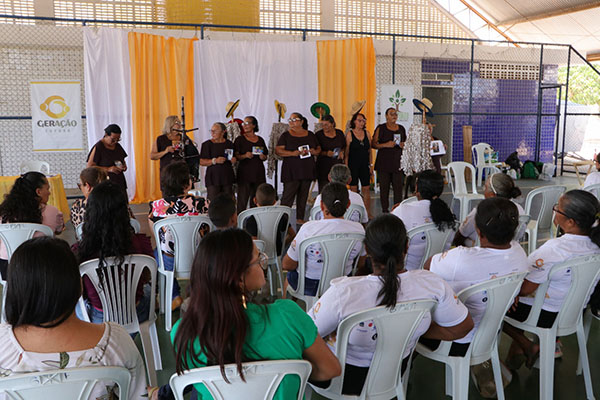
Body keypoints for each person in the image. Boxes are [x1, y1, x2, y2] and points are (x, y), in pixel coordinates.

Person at [308, 214, 474, 395]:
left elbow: (304, 335)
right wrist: (410, 329)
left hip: (343, 381)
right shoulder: (432, 284)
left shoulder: (343, 292)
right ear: (407, 246)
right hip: (394, 374)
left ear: (367, 249)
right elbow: (462, 327)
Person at [171, 229, 341, 399]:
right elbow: (330, 369)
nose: (262, 263)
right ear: (238, 279)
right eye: (258, 259)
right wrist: (296, 371)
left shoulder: (184, 331)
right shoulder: (288, 315)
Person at [0, 237, 147, 399]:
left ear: (14, 290)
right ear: (79, 286)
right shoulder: (114, 342)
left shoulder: (2, 345)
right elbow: (138, 395)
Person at [503, 190, 600, 369]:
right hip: (574, 312)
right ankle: (518, 351)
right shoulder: (596, 245)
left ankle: (526, 345)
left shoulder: (554, 249)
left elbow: (524, 288)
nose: (554, 211)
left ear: (570, 222)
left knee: (495, 307)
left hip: (547, 316)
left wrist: (512, 293)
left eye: (558, 209)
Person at [423, 198, 529, 354]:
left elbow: (428, 266)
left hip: (456, 342)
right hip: (489, 337)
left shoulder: (461, 258)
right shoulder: (520, 253)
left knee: (411, 325)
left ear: (478, 231)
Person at [77, 180, 154, 324]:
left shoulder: (80, 250)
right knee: (149, 290)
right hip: (136, 313)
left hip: (98, 319)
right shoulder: (141, 243)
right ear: (125, 211)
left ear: (90, 213)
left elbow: (79, 291)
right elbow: (146, 276)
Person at [283, 182, 366, 297]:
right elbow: (361, 263)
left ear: (321, 205)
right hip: (343, 283)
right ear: (348, 204)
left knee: (289, 277)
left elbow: (287, 264)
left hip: (310, 285)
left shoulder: (308, 229)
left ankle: (290, 307)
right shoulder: (359, 230)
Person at [148, 162, 208, 310]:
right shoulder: (203, 203)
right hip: (200, 259)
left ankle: (174, 296)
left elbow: (157, 236)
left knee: (158, 252)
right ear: (187, 184)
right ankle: (197, 293)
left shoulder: (156, 207)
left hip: (169, 262)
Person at [0, 172, 64, 279]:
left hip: (8, 268)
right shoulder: (53, 212)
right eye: (47, 189)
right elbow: (59, 230)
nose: (49, 193)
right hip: (41, 268)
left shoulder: (3, 212)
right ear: (38, 192)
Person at [392, 170, 456, 270]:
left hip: (409, 271)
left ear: (417, 189)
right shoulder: (448, 213)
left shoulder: (403, 210)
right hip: (437, 270)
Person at [453, 173, 525, 247]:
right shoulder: (519, 210)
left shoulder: (480, 211)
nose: (483, 190)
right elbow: (519, 234)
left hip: (480, 250)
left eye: (485, 187)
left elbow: (460, 236)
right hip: (510, 249)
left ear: (492, 195)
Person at [276, 112, 321, 224]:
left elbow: (318, 148)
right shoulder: (286, 135)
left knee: (303, 196)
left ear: (301, 121)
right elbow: (278, 150)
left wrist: (314, 151)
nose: (291, 122)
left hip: (307, 170)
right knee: (287, 197)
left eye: (294, 119)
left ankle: (300, 218)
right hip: (291, 171)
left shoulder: (310, 135)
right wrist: (292, 153)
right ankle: (282, 220)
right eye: (290, 120)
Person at [243, 183, 295, 257]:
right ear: (274, 201)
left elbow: (254, 242)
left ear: (254, 200)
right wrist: (282, 246)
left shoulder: (251, 220)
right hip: (276, 253)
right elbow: (292, 234)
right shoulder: (280, 216)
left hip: (259, 256)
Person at [373, 108, 406, 213]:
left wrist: (403, 145)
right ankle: (385, 211)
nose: (394, 116)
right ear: (386, 116)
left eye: (395, 114)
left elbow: (405, 142)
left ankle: (398, 210)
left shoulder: (401, 128)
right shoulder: (381, 128)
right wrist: (385, 145)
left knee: (398, 189)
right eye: (391, 114)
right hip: (384, 163)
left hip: (397, 163)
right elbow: (373, 144)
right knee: (384, 188)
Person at [234, 116, 268, 213]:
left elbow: (265, 155)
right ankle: (240, 219)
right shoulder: (239, 139)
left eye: (247, 123)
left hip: (258, 173)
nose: (244, 126)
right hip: (245, 173)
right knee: (242, 199)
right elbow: (236, 156)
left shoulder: (260, 140)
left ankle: (255, 219)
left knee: (257, 198)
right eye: (243, 123)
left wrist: (263, 157)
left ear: (254, 125)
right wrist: (245, 155)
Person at [199, 122, 236, 201]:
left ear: (223, 132)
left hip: (227, 177)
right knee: (213, 201)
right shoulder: (207, 144)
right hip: (213, 178)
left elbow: (233, 157)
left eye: (215, 131)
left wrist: (233, 159)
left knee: (228, 201)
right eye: (211, 131)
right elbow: (201, 162)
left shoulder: (229, 144)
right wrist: (214, 161)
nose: (212, 133)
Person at [86, 124, 128, 193]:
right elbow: (90, 167)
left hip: (119, 182)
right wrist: (108, 169)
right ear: (106, 135)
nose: (115, 142)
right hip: (105, 183)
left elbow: (122, 160)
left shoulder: (117, 146)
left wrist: (124, 166)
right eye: (113, 139)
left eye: (118, 140)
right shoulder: (99, 147)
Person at [345, 112, 372, 216]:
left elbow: (369, 151)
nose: (362, 123)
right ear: (354, 122)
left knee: (366, 189)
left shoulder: (367, 133)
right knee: (354, 190)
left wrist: (371, 165)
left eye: (363, 121)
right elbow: (346, 153)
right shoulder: (350, 134)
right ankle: (355, 213)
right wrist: (346, 168)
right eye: (359, 120)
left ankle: (367, 213)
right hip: (353, 165)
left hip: (364, 165)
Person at [315, 115, 346, 193]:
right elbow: (316, 150)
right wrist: (326, 153)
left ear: (332, 124)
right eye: (322, 125)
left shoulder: (339, 133)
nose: (324, 127)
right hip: (323, 167)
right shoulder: (318, 135)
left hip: (337, 166)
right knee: (324, 190)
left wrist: (342, 152)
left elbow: (344, 146)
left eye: (326, 124)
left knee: (339, 189)